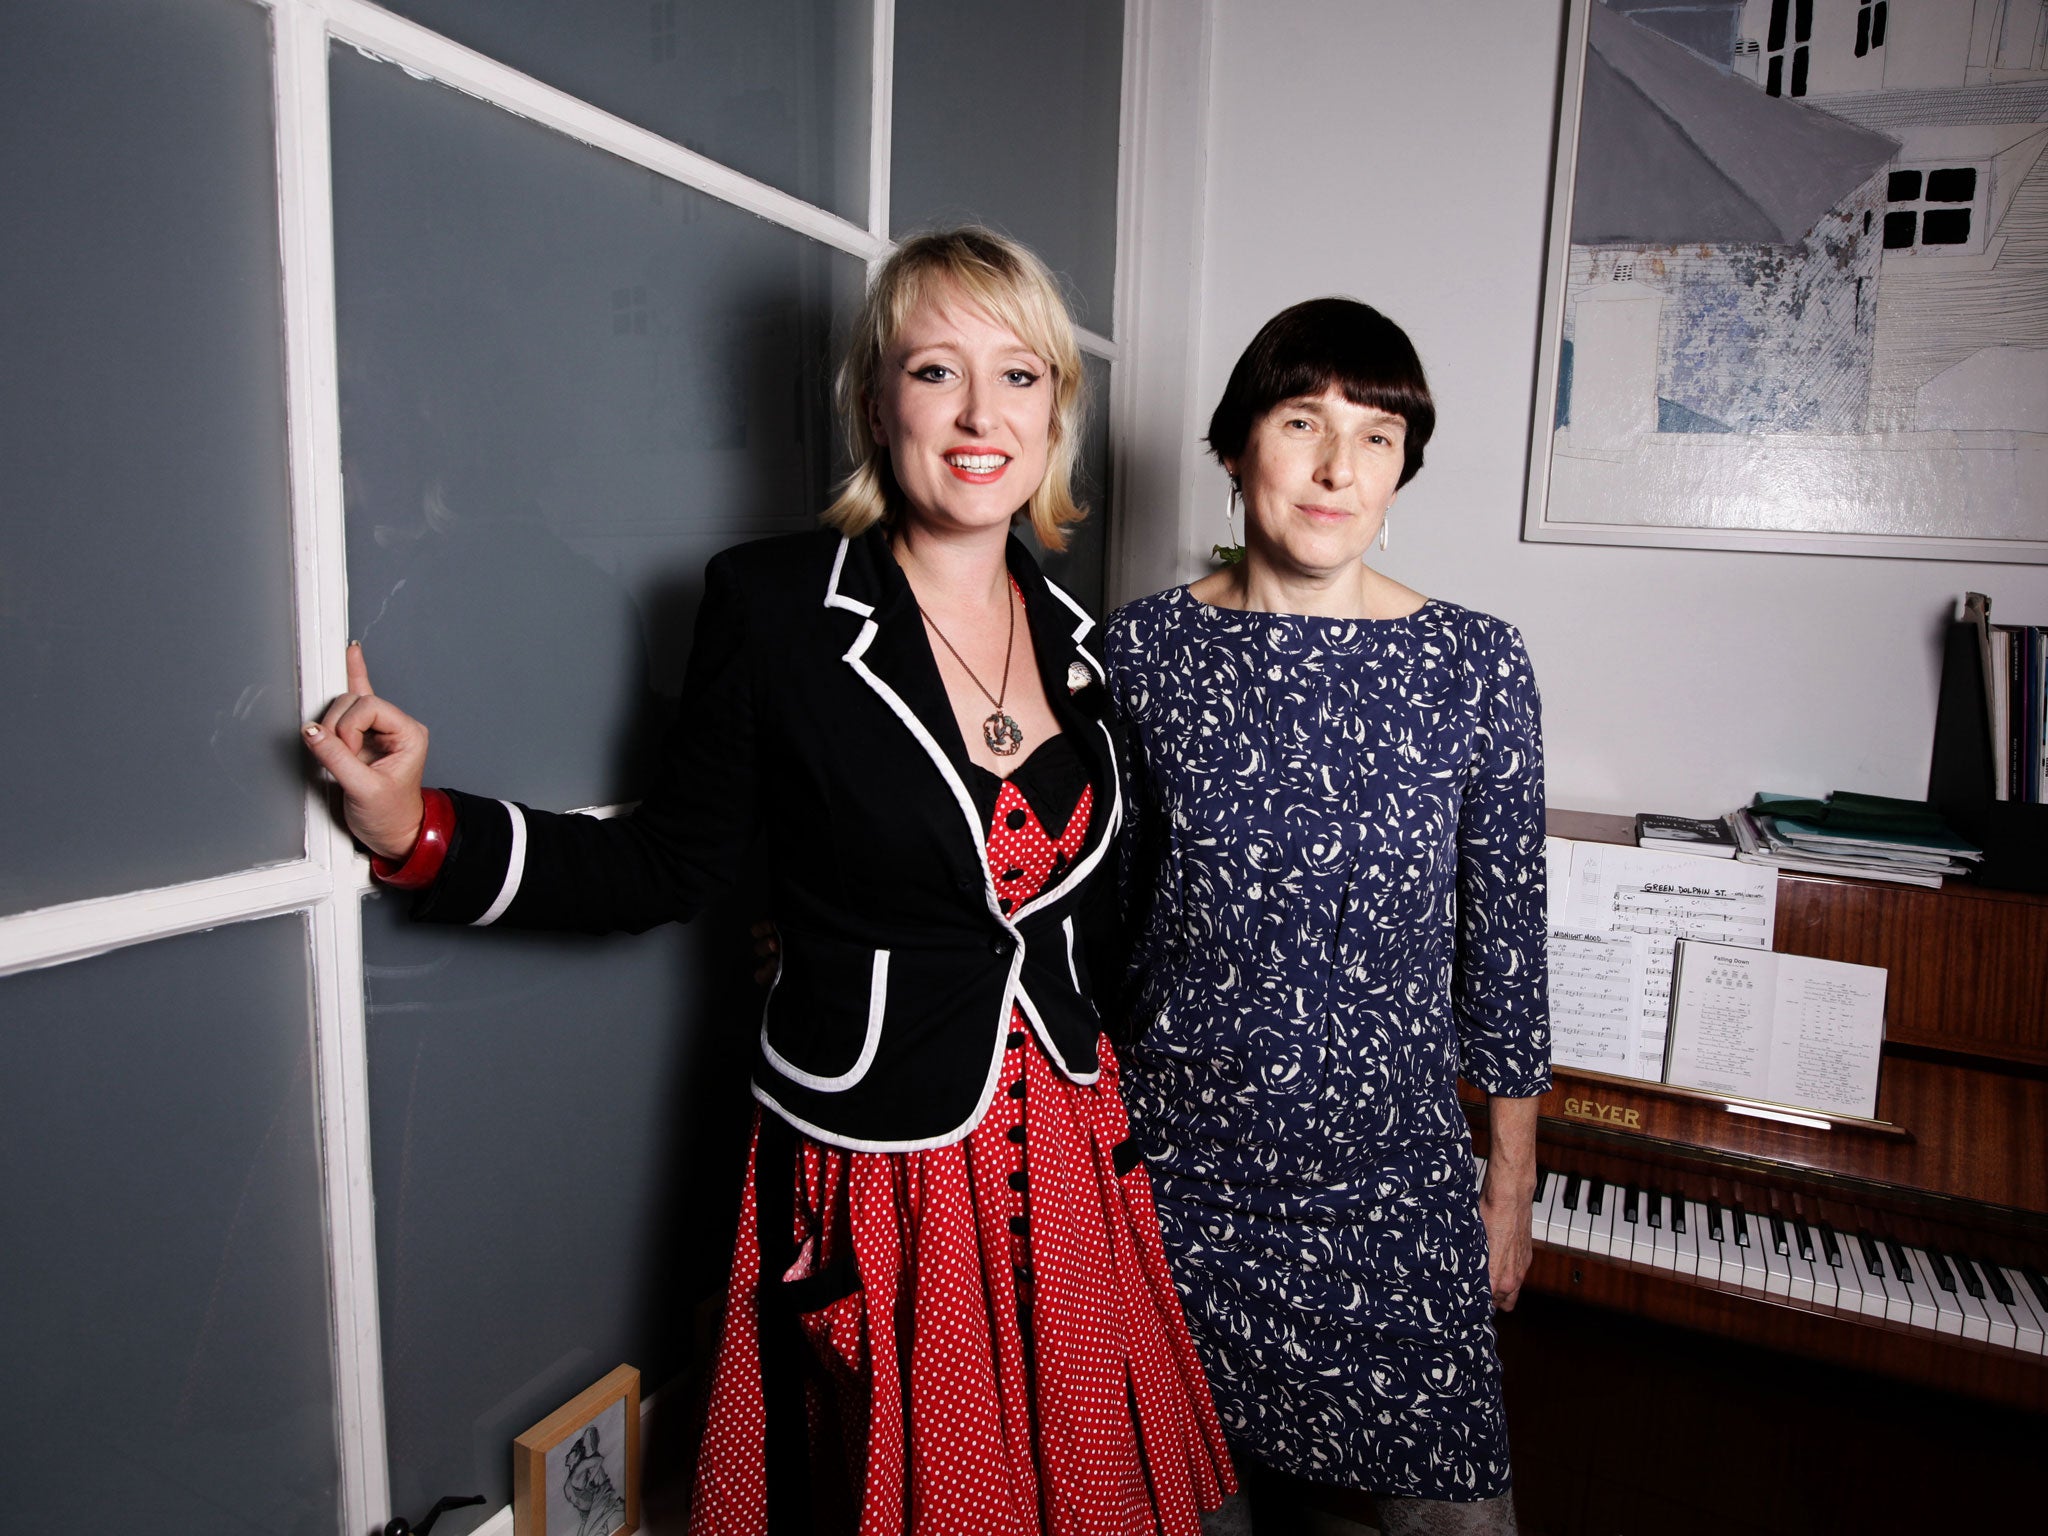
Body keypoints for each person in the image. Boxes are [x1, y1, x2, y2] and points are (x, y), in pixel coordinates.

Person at [301, 228, 1233, 1536]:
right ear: (875, 403)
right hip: (884, 1170)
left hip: (1073, 1169)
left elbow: (1113, 919)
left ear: (1055, 415)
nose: (980, 414)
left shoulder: (1093, 653)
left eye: (1020, 377)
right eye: (936, 372)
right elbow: (661, 864)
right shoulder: (778, 607)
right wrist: (420, 830)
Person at [1103, 299, 1549, 1535]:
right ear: (1239, 445)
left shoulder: (1474, 663)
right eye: (1300, 422)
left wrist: (1504, 1183)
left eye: (1374, 436)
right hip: (1178, 1185)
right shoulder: (1139, 651)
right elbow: (1099, 915)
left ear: (1402, 468)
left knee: (1453, 1522)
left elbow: (1503, 942)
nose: (1334, 467)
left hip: (1392, 1190)